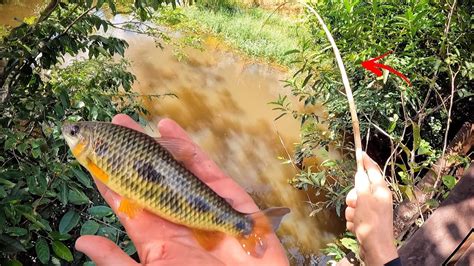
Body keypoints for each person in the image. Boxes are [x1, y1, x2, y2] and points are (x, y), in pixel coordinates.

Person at [75, 114, 400, 265]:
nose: (71, 134)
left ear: (90, 143)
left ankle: (243, 224)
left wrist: (379, 251)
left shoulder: (95, 154)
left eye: (74, 133)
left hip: (176, 195)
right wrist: (380, 251)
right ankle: (243, 224)